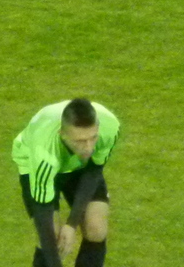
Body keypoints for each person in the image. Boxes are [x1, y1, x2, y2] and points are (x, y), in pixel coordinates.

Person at [12, 98, 120, 267]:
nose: (89, 147)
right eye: (80, 141)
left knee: (96, 228)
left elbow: (93, 171)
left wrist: (72, 224)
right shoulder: (44, 154)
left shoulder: (109, 127)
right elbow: (43, 215)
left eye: (92, 138)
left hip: (80, 165)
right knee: (53, 236)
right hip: (34, 164)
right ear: (62, 134)